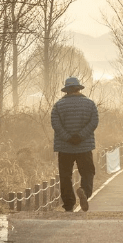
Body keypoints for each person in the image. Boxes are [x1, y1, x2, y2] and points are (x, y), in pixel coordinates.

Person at [51, 76, 98, 211]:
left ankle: (69, 204)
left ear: (66, 91)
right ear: (78, 88)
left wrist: (68, 138)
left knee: (65, 175)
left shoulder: (58, 106)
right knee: (88, 172)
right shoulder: (90, 104)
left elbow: (56, 124)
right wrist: (81, 136)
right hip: (84, 146)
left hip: (65, 147)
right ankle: (84, 191)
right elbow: (94, 122)